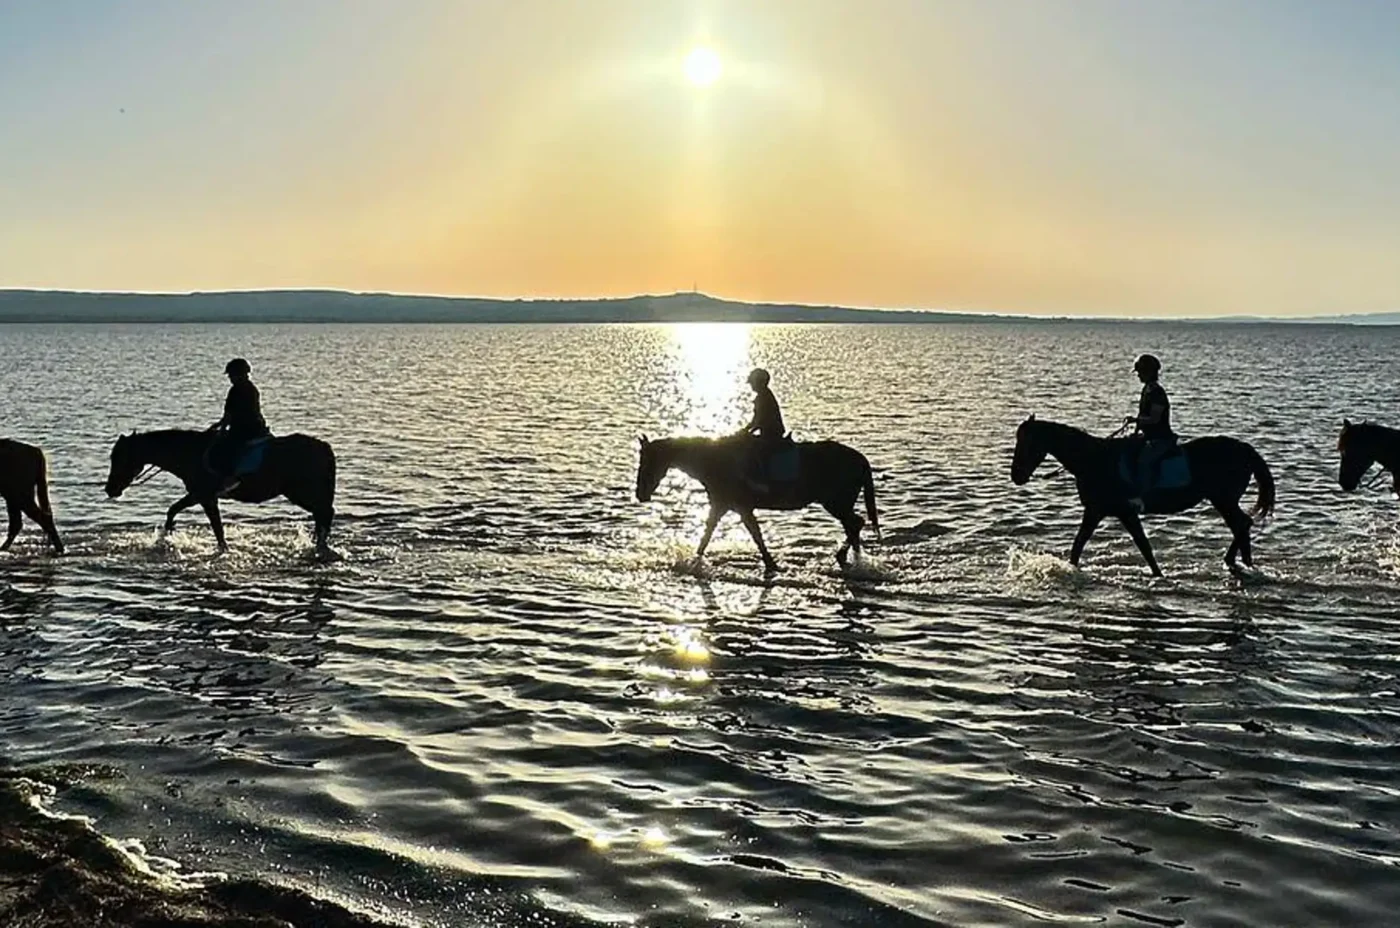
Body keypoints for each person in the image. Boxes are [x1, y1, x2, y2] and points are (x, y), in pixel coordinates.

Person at [208, 358, 270, 494]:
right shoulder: (251, 387)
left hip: (244, 429)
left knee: (223, 448)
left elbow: (229, 415)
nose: (230, 378)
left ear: (238, 374)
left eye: (231, 375)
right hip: (256, 426)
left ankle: (229, 479)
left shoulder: (236, 390)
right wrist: (218, 424)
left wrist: (222, 430)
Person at [1124, 353, 1175, 511]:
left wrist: (1135, 420)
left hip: (1161, 439)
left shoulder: (1157, 393)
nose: (1138, 375)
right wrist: (1136, 432)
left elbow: (1154, 418)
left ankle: (1143, 498)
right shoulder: (1147, 390)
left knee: (1144, 461)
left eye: (1140, 372)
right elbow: (1143, 416)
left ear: (1148, 372)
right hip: (1148, 437)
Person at [739, 367, 786, 491]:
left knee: (754, 452)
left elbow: (761, 420)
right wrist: (746, 430)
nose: (751, 386)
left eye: (752, 383)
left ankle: (761, 481)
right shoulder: (763, 395)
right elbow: (756, 420)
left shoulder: (763, 397)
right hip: (768, 432)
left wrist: (748, 431)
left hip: (771, 434)